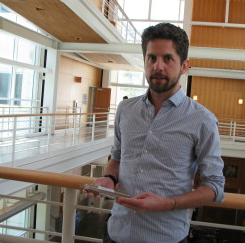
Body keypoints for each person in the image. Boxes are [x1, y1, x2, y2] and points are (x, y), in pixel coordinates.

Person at [91, 23, 225, 243]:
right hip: (116, 232)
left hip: (166, 236)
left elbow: (214, 187)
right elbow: (117, 156)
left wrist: (168, 204)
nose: (158, 66)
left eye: (168, 58)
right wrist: (108, 178)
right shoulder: (125, 110)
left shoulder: (203, 120)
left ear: (184, 66)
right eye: (151, 58)